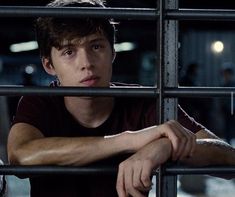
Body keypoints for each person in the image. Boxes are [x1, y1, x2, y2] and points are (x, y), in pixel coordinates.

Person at [7, 0, 235, 197]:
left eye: (96, 46)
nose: (86, 62)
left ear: (112, 53)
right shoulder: (40, 101)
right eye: (69, 52)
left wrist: (165, 146)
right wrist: (131, 140)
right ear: (49, 65)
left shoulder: (143, 101)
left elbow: (227, 156)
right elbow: (20, 156)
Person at [220, 62, 235, 143]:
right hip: (226, 109)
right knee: (227, 127)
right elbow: (222, 100)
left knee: (231, 127)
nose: (225, 75)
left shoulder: (233, 84)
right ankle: (228, 143)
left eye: (227, 73)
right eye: (224, 73)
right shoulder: (223, 85)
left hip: (233, 109)